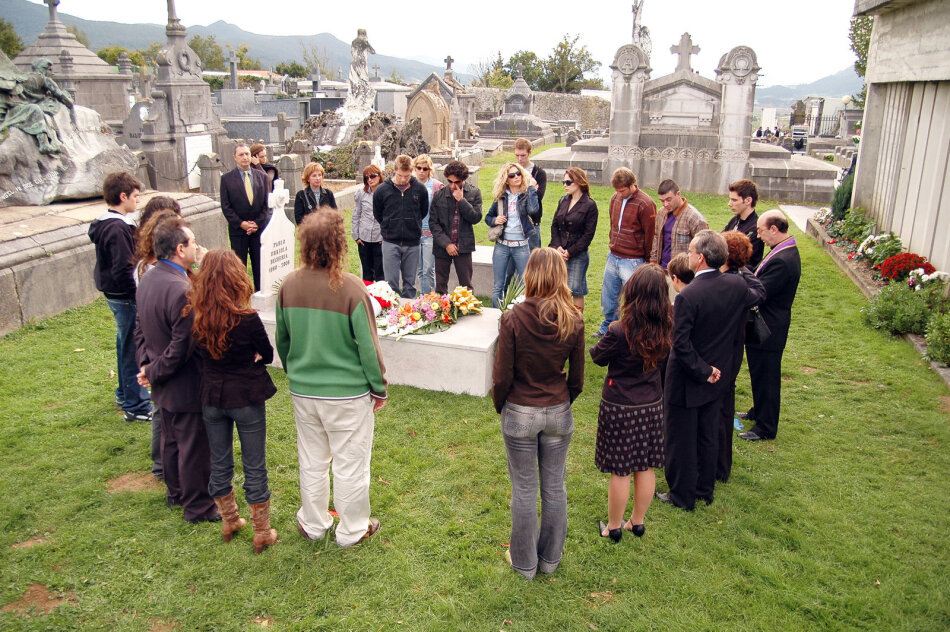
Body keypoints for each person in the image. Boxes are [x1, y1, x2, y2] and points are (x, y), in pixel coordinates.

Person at [276, 210, 387, 547]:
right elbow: (368, 347)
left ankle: (313, 523)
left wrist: (298, 372)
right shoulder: (351, 288)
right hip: (347, 394)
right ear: (339, 244)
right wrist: (378, 387)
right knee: (350, 463)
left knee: (312, 459)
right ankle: (352, 530)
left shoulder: (289, 286)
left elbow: (283, 341)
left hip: (304, 390)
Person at [492, 248, 584, 579]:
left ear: (530, 274)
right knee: (554, 487)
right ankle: (549, 560)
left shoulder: (514, 318)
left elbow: (502, 375)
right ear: (560, 276)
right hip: (557, 409)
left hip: (521, 410)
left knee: (525, 489)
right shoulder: (573, 318)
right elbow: (577, 380)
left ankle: (525, 564)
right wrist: (561, 402)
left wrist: (502, 404)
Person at [657, 230, 764, 511]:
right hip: (719, 374)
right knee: (708, 433)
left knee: (680, 437)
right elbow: (756, 296)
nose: (688, 255)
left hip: (689, 377)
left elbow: (680, 343)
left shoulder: (688, 296)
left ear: (701, 258)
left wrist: (703, 370)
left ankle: (682, 494)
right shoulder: (736, 285)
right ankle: (705, 488)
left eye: (691, 251)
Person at [187, 250, 279, 553]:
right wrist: (252, 356)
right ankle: (261, 531)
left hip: (212, 397)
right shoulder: (247, 319)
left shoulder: (196, 316)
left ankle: (229, 521)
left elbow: (197, 354)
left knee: (220, 460)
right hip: (246, 398)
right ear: (235, 277)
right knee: (254, 464)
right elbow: (267, 354)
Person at [135, 217, 219, 523]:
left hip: (161, 379)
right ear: (180, 249)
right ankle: (197, 507)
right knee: (192, 446)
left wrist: (146, 365)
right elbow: (181, 347)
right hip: (183, 381)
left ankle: (176, 493)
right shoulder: (182, 289)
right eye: (193, 242)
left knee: (170, 440)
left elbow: (139, 329)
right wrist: (152, 370)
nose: (196, 246)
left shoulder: (148, 278)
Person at [590, 263, 671, 541]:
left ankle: (613, 526)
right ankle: (637, 521)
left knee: (621, 468)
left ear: (632, 293)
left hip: (620, 406)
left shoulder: (619, 331)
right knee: (645, 465)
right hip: (651, 404)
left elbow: (597, 357)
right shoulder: (666, 327)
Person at [88, 172, 152, 423]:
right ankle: (136, 405)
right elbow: (125, 268)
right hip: (125, 296)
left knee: (124, 344)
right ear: (122, 196)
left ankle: (125, 393)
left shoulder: (111, 223)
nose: (137, 200)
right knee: (132, 349)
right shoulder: (117, 228)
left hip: (117, 295)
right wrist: (138, 295)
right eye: (135, 196)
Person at [739, 210, 802, 442]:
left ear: (774, 229)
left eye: (761, 230)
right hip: (765, 325)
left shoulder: (783, 260)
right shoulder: (782, 250)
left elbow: (760, 291)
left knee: (767, 376)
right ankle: (758, 410)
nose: (759, 235)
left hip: (769, 328)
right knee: (759, 372)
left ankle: (765, 427)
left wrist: (741, 271)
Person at [596, 168, 656, 337]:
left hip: (633, 259)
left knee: (633, 297)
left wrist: (647, 259)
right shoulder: (614, 199)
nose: (619, 194)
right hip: (614, 255)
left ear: (632, 185)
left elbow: (650, 234)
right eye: (616, 190)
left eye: (622, 191)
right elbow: (613, 224)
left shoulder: (645, 203)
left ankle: (631, 329)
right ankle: (608, 325)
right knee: (609, 295)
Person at [717, 231, 755, 482]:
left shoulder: (727, 285)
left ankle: (718, 466)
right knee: (725, 408)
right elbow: (759, 289)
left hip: (721, 355)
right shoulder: (743, 283)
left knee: (719, 412)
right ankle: (722, 466)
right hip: (732, 353)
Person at [372, 154, 429, 298]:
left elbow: (422, 212)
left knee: (410, 284)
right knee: (391, 284)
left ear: (411, 172)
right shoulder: (382, 190)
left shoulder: (420, 189)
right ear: (394, 171)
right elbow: (378, 214)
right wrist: (389, 226)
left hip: (412, 242)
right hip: (390, 241)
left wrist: (413, 225)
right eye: (400, 175)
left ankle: (409, 309)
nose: (403, 179)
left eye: (407, 176)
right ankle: (392, 310)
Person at [485, 162, 540, 308]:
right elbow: (488, 217)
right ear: (506, 179)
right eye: (512, 175)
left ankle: (522, 316)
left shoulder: (526, 194)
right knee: (498, 285)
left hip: (521, 246)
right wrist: (495, 220)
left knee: (525, 285)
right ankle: (497, 315)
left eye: (518, 173)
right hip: (502, 246)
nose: (516, 177)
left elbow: (534, 211)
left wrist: (531, 188)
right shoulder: (501, 197)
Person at [220, 143, 270, 291]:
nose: (245, 157)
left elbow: (266, 204)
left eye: (247, 154)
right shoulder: (227, 179)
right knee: (238, 267)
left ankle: (260, 293)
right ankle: (241, 295)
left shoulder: (262, 177)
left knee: (259, 265)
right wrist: (241, 224)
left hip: (258, 230)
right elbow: (226, 206)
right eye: (241, 154)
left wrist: (257, 224)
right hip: (238, 231)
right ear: (235, 157)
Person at [429, 160, 483, 294]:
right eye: (450, 181)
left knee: (466, 287)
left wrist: (462, 201)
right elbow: (433, 223)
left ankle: (466, 307)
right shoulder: (439, 195)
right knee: (440, 287)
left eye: (457, 182)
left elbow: (476, 218)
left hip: (463, 246)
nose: (453, 185)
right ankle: (441, 307)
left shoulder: (474, 193)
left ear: (463, 179)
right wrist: (447, 244)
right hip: (442, 247)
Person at [549, 167, 598, 311]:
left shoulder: (590, 205)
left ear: (579, 182)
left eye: (568, 182)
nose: (565, 185)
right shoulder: (563, 200)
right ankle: (560, 318)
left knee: (576, 289)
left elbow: (588, 235)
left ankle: (577, 320)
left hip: (577, 253)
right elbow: (554, 225)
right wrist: (557, 246)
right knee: (557, 288)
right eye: (563, 182)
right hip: (559, 251)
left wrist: (571, 251)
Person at [503, 138, 547, 289]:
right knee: (509, 267)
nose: (520, 159)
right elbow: (505, 195)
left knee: (533, 264)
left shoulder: (539, 173)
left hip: (531, 223)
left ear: (530, 153)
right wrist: (530, 189)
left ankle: (531, 295)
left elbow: (537, 200)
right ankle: (508, 296)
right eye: (517, 155)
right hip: (512, 225)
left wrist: (529, 189)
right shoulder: (511, 171)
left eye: (523, 155)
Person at [650, 179, 708, 271]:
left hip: (682, 273)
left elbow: (704, 249)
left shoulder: (695, 218)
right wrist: (653, 262)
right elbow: (656, 238)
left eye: (669, 200)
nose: (665, 204)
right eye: (662, 201)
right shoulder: (661, 213)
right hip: (661, 269)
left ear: (678, 194)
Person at [413, 154, 444, 295]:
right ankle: (424, 296)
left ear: (429, 170)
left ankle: (431, 298)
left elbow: (442, 210)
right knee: (420, 270)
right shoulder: (410, 185)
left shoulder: (436, 186)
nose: (421, 171)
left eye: (425, 169)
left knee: (428, 269)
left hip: (430, 233)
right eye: (418, 168)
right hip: (414, 233)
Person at [352, 165, 385, 282]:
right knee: (367, 273)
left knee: (380, 273)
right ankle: (367, 293)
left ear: (379, 176)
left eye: (373, 176)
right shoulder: (361, 194)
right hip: (364, 238)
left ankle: (380, 294)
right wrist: (356, 236)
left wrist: (385, 236)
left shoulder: (386, 193)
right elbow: (356, 214)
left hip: (380, 238)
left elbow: (390, 217)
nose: (370, 179)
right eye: (367, 178)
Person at [723, 179, 764, 270]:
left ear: (748, 200)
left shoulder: (755, 229)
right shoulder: (734, 220)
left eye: (734, 200)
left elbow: (750, 264)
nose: (729, 204)